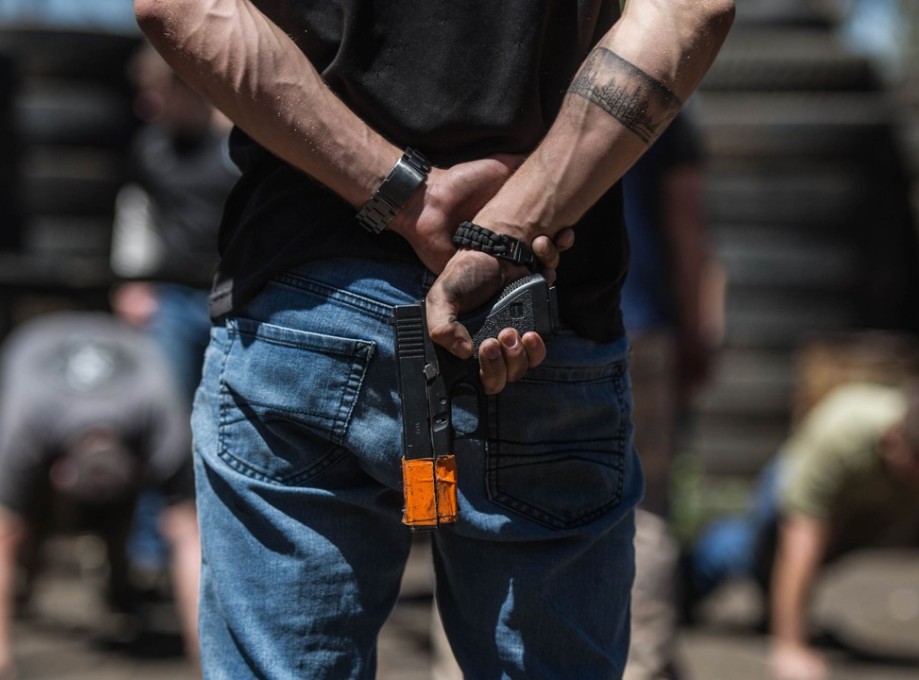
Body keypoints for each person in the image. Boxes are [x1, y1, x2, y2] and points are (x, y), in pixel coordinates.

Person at [134, 0, 735, 677]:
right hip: (538, 305)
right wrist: (513, 222)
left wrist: (406, 197)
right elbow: (690, 12)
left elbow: (180, 7)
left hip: (305, 300)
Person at [684, 381, 919, 680]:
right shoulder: (842, 432)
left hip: (868, 509)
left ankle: (773, 605)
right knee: (750, 552)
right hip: (795, 484)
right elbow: (801, 537)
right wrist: (791, 647)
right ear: (894, 441)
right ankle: (679, 585)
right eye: (913, 467)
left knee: (815, 557)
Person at [0, 312, 201, 678]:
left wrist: (204, 656)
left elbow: (187, 531)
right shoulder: (23, 425)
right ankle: (28, 592)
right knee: (19, 522)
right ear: (56, 475)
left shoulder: (162, 420)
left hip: (120, 360)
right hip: (38, 339)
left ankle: (121, 589)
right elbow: (6, 530)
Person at [110, 42, 239, 576]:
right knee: (160, 425)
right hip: (170, 300)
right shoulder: (151, 147)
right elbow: (135, 209)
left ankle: (220, 544)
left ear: (186, 87)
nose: (147, 106)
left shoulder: (234, 146)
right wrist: (129, 281)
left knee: (230, 419)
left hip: (232, 301)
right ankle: (150, 552)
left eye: (155, 94)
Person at [620, 107, 723, 679]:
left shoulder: (532, 65)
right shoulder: (657, 95)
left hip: (524, 322)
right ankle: (641, 666)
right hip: (638, 329)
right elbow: (687, 226)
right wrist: (697, 330)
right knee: (644, 509)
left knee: (489, 504)